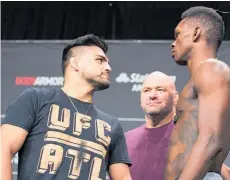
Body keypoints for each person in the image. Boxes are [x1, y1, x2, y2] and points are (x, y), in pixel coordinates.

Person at [1, 34, 132, 180]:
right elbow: (3, 147)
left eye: (108, 62)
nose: (108, 67)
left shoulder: (112, 125)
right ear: (75, 63)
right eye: (99, 60)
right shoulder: (36, 100)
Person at [164, 6, 230, 180]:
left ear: (196, 32)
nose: (173, 42)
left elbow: (211, 140)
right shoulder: (203, 76)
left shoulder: (212, 69)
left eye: (178, 34)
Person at [125, 71, 179, 180]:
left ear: (175, 97)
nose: (152, 95)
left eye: (160, 90)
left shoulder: (189, 137)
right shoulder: (125, 140)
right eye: (147, 90)